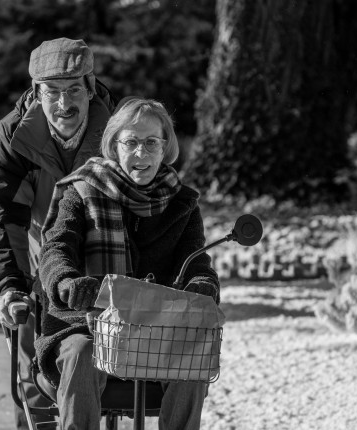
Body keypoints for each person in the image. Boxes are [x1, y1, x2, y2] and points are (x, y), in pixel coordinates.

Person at [36, 98, 220, 429]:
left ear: (165, 147)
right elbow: (57, 247)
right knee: (81, 352)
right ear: (114, 145)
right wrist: (66, 282)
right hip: (88, 321)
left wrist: (202, 284)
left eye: (151, 142)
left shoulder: (183, 203)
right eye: (131, 142)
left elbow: (195, 260)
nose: (141, 153)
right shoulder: (82, 190)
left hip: (157, 325)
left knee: (193, 355)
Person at [0, 37, 116, 429]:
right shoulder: (12, 138)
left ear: (90, 88)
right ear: (36, 92)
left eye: (73, 89)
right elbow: (4, 218)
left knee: (106, 372)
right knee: (31, 376)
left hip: (104, 261)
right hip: (40, 263)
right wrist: (11, 285)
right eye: (52, 92)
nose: (63, 103)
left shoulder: (117, 133)